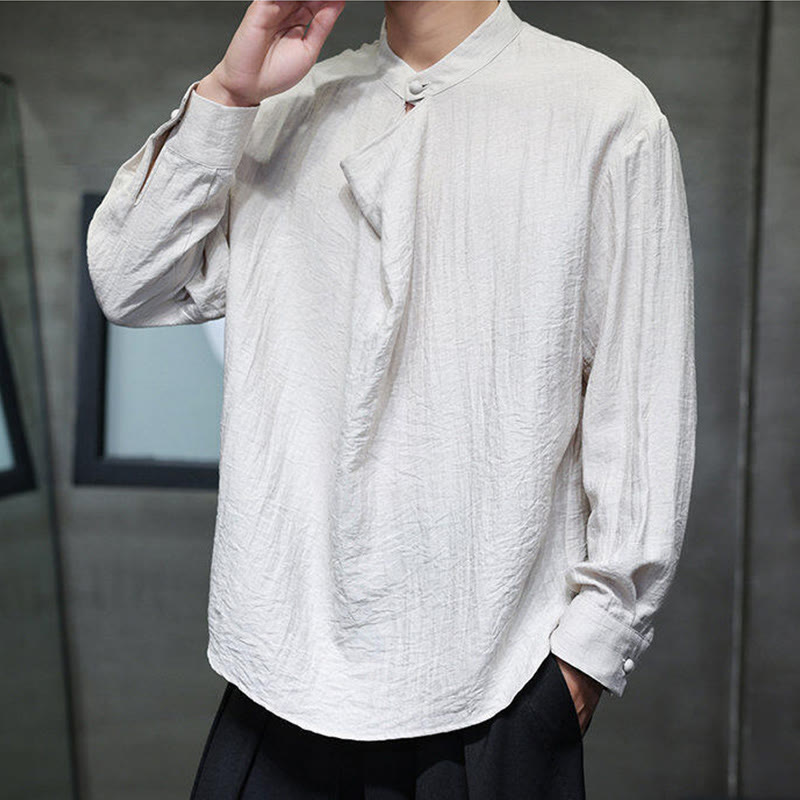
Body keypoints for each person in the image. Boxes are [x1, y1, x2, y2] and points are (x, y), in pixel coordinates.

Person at [86, 0, 697, 797]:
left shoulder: (603, 113)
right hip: (279, 675)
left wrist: (588, 653)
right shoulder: (287, 109)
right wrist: (230, 93)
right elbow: (129, 281)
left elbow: (642, 409)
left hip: (497, 683)